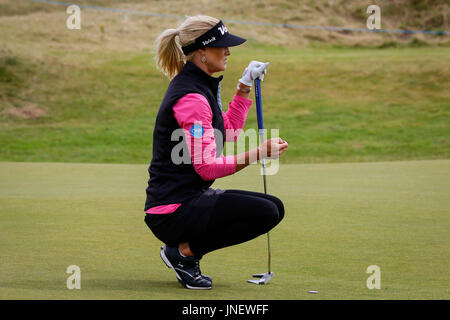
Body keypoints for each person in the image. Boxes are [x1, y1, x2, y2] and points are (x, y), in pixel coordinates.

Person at [144, 15, 289, 290]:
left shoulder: (199, 85)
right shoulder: (193, 97)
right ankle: (183, 254)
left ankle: (184, 251)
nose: (228, 51)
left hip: (189, 200)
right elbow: (207, 168)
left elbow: (229, 131)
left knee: (275, 208)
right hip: (171, 210)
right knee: (266, 213)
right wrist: (258, 152)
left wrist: (244, 87)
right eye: (221, 46)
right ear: (202, 52)